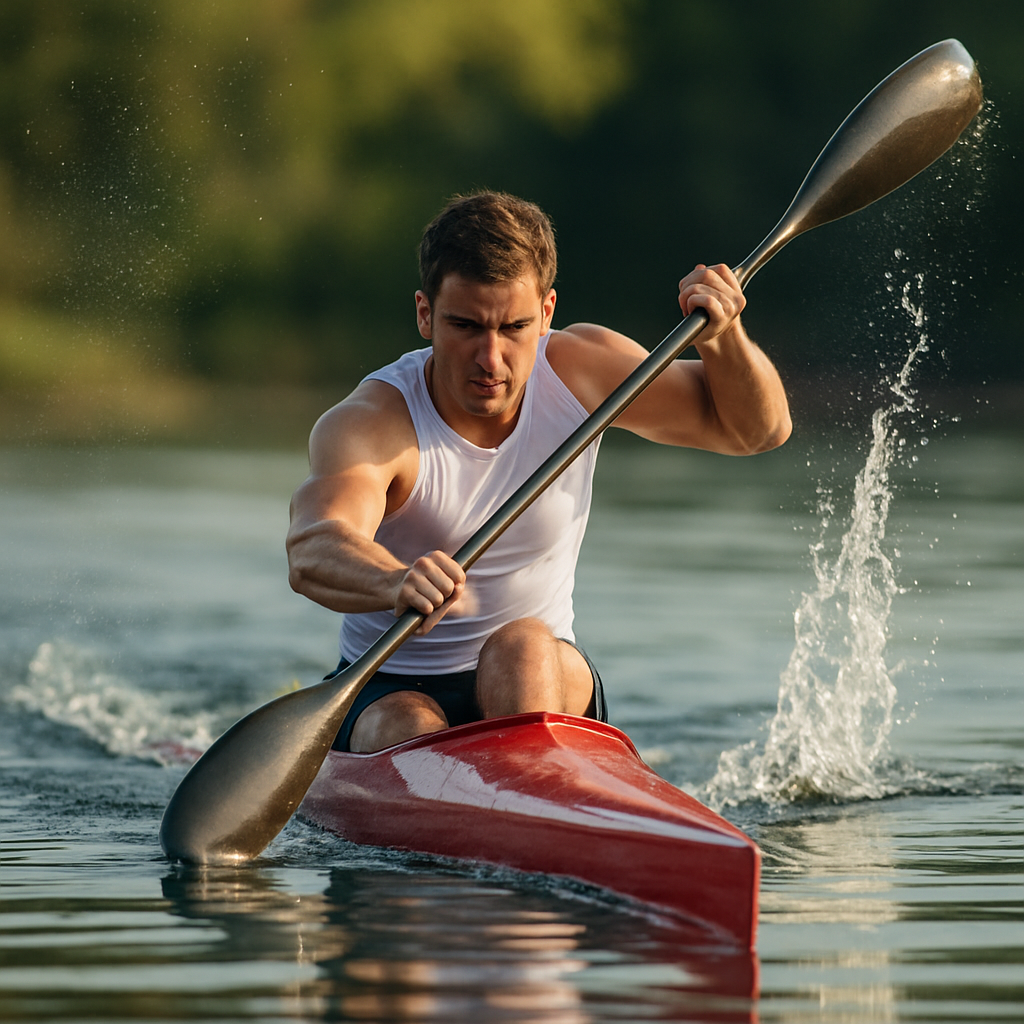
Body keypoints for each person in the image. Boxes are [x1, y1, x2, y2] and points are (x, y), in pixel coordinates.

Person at [287, 191, 791, 753]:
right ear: (425, 315)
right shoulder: (374, 423)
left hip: (541, 678)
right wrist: (392, 580)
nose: (491, 359)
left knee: (522, 646)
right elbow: (313, 550)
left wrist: (725, 339)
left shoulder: (582, 371)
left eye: (514, 328)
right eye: (466, 326)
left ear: (547, 312)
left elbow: (756, 431)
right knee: (406, 724)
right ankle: (499, 789)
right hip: (389, 684)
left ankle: (529, 792)